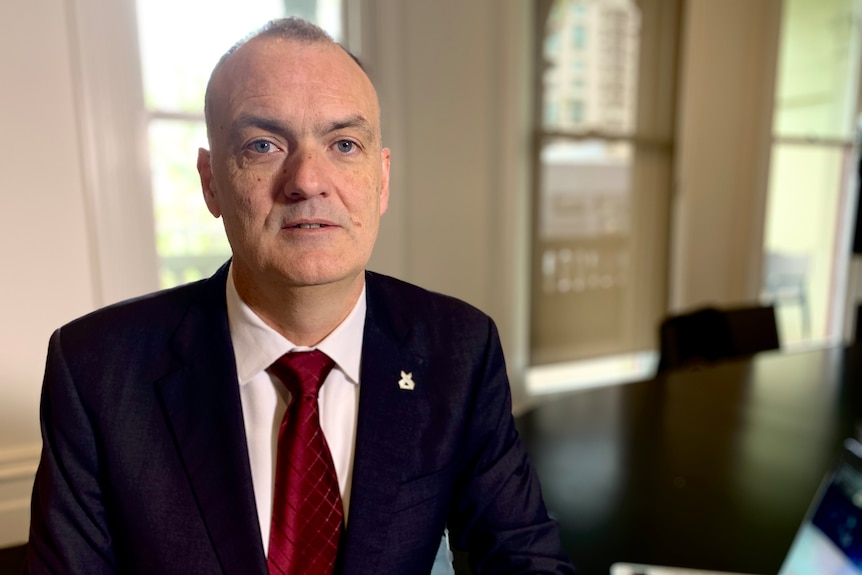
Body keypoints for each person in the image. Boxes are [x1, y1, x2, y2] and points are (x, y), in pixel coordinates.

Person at [26, 17, 576, 575]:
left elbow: (523, 556)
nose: (308, 180)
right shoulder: (96, 370)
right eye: (263, 144)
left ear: (380, 180)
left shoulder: (458, 348)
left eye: (344, 143)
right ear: (211, 180)